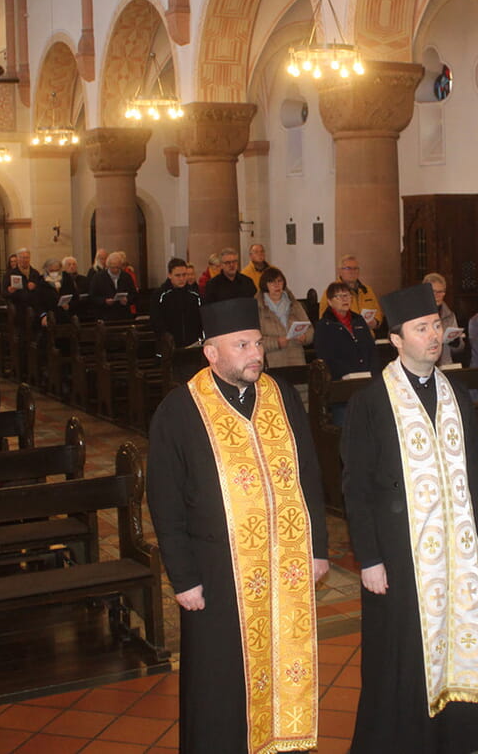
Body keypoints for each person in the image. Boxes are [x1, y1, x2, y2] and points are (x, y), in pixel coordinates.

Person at [146, 297, 329, 753]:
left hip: (285, 568)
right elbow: (164, 501)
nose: (256, 353)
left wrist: (318, 547)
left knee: (285, 666)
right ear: (211, 353)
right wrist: (183, 578)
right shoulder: (180, 409)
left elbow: (310, 474)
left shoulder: (282, 395)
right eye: (242, 344)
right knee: (220, 685)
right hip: (215, 573)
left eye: (258, 343)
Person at [342, 284, 478, 754]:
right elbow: (357, 486)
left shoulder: (456, 395)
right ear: (396, 340)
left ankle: (454, 742)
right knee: (399, 658)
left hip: (456, 554)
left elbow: (475, 468)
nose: (434, 336)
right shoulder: (370, 401)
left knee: (455, 644)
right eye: (421, 328)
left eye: (436, 326)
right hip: (398, 556)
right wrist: (368, 558)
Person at [313, 281, 380, 381]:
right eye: (339, 296)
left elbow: (371, 348)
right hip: (341, 379)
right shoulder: (323, 326)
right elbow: (326, 357)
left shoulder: (359, 320)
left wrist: (371, 371)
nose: (345, 299)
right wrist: (349, 374)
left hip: (367, 375)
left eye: (347, 295)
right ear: (330, 302)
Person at [257, 266, 312, 369]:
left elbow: (310, 330)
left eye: (279, 281)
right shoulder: (258, 307)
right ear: (265, 285)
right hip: (272, 361)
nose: (276, 285)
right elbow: (255, 340)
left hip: (296, 358)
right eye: (272, 282)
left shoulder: (295, 304)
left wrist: (305, 337)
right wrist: (276, 343)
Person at [321, 255, 383, 333]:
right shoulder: (330, 291)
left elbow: (378, 314)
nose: (352, 271)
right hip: (343, 336)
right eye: (348, 268)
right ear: (340, 271)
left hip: (367, 335)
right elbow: (323, 320)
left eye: (355, 268)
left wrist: (375, 322)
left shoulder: (367, 290)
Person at [151, 257, 202, 349]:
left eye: (184, 275)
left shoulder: (194, 295)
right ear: (170, 275)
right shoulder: (160, 295)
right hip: (169, 346)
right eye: (178, 275)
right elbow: (156, 320)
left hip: (192, 344)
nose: (182, 279)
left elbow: (200, 319)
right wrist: (165, 336)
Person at [423, 272, 464, 366]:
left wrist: (455, 342)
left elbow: (459, 348)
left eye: (441, 292)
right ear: (425, 292)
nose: (438, 295)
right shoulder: (417, 315)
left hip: (445, 364)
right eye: (434, 292)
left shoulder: (449, 315)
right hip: (424, 365)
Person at [87, 251, 137, 320]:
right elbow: (92, 296)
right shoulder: (98, 277)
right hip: (105, 315)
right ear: (108, 266)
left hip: (123, 314)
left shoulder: (126, 277)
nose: (116, 270)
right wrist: (104, 301)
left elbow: (134, 294)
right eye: (113, 267)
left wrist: (127, 299)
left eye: (118, 267)